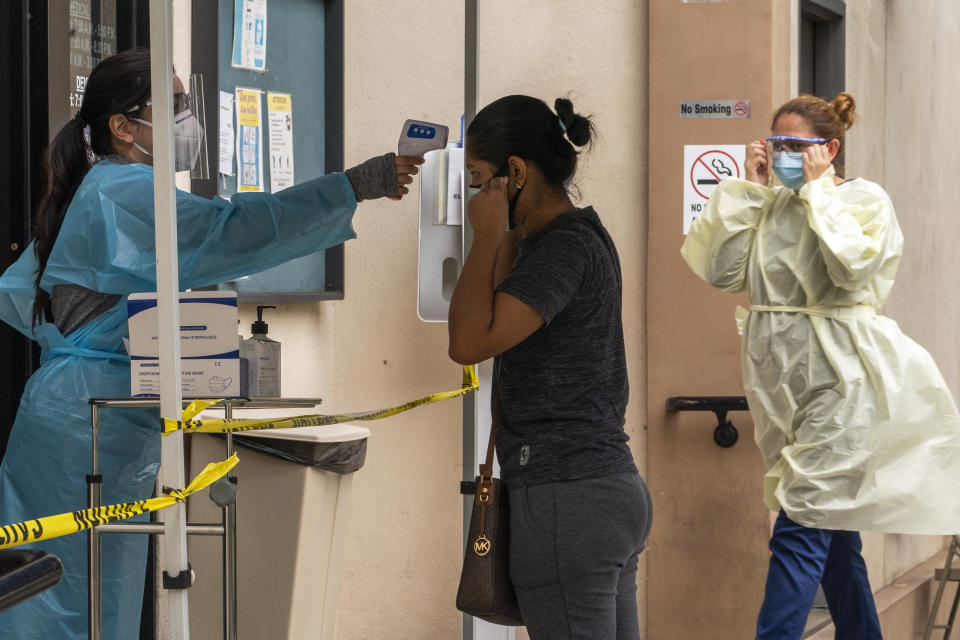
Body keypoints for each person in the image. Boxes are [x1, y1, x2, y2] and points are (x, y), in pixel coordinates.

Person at [0, 49, 422, 639]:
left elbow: (22, 296)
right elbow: (232, 229)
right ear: (123, 126)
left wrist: (107, 339)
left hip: (82, 418)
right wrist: (351, 186)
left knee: (88, 595)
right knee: (69, 601)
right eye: (170, 107)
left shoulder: (101, 188)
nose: (185, 120)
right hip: (81, 429)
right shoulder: (119, 189)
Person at [681, 92, 960, 639]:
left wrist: (815, 191)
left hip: (845, 382)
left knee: (802, 520)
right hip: (782, 383)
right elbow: (721, 270)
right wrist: (752, 190)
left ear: (829, 148)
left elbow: (853, 269)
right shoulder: (770, 205)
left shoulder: (862, 200)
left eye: (795, 145)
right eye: (775, 142)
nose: (783, 153)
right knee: (833, 532)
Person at [448, 95, 653, 640]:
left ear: (514, 172)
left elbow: (470, 340)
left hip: (567, 497)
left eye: (477, 178)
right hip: (603, 491)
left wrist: (487, 233)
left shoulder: (563, 251)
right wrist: (503, 231)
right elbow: (501, 294)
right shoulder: (572, 239)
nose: (472, 194)